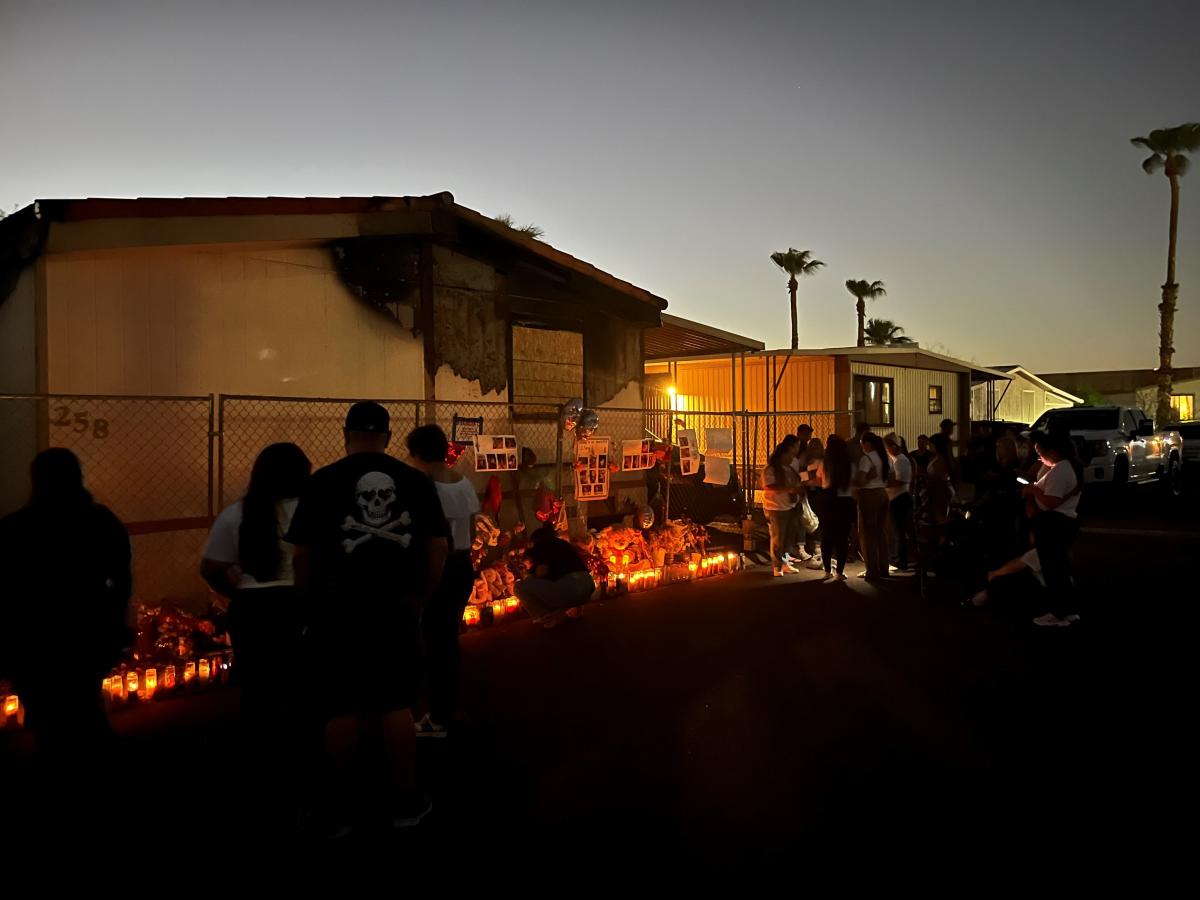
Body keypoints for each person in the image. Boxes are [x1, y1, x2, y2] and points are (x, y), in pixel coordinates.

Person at [286, 401, 449, 834]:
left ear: (346, 434)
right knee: (396, 704)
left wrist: (311, 602)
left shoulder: (321, 483)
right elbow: (437, 547)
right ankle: (406, 802)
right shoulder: (415, 481)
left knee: (340, 707)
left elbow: (301, 556)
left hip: (335, 608)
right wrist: (421, 598)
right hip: (396, 606)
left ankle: (338, 808)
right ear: (388, 437)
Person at [0, 450, 132, 764]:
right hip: (88, 631)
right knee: (84, 705)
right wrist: (114, 622)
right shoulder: (100, 521)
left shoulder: (14, 528)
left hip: (32, 637)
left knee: (47, 717)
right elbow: (121, 580)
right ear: (79, 476)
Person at [202, 443, 310, 716]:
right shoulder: (315, 510)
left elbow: (211, 566)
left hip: (252, 606)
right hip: (300, 602)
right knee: (302, 686)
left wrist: (236, 592)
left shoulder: (236, 513)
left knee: (256, 691)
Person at [405, 424, 480, 737]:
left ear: (417, 454)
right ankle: (446, 708)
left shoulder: (423, 486)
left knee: (432, 641)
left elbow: (425, 538)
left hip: (437, 567)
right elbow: (473, 532)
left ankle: (436, 716)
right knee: (447, 639)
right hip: (462, 566)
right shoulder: (463, 483)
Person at [1022, 431, 1082, 627]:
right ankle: (1067, 611)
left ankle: (1058, 613)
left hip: (1053, 524)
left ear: (1053, 451)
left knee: (1053, 569)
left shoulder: (1060, 470)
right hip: (1060, 523)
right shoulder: (1067, 467)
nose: (1039, 457)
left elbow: (1051, 501)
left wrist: (1032, 490)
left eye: (1040, 453)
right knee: (1060, 567)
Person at [516, 524, 595, 626]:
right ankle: (573, 609)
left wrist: (531, 571)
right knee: (561, 582)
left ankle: (546, 616)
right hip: (588, 586)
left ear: (535, 541)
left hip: (571, 589)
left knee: (519, 587)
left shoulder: (541, 548)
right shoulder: (564, 544)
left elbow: (541, 572)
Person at [762, 436, 802, 576]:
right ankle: (777, 566)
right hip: (776, 508)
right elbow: (768, 486)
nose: (793, 457)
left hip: (790, 506)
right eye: (790, 454)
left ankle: (784, 563)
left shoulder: (789, 469)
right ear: (783, 455)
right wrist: (789, 489)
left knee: (788, 538)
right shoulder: (771, 469)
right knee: (778, 538)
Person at [818, 435, 855, 582]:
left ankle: (827, 571)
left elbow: (820, 480)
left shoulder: (824, 464)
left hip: (827, 500)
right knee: (842, 537)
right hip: (845, 501)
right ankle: (840, 571)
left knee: (826, 536)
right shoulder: (849, 464)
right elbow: (854, 481)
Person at [855, 432, 891, 579]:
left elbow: (861, 481)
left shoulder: (866, 459)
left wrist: (867, 477)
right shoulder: (885, 457)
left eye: (862, 443)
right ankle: (884, 567)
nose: (861, 447)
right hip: (883, 494)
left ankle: (872, 570)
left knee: (868, 533)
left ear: (867, 444)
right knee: (881, 532)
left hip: (869, 495)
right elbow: (892, 477)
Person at [883, 433, 913, 572]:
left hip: (900, 498)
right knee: (897, 531)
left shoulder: (901, 460)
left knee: (898, 531)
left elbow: (902, 479)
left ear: (893, 447)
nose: (886, 451)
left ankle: (899, 561)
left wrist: (885, 483)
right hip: (897, 498)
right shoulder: (896, 460)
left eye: (887, 447)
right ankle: (898, 559)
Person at [925, 433, 955, 525]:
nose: (929, 446)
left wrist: (926, 477)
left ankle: (943, 537)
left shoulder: (942, 459)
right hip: (937, 489)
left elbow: (938, 476)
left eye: (931, 444)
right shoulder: (935, 457)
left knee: (941, 517)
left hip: (941, 490)